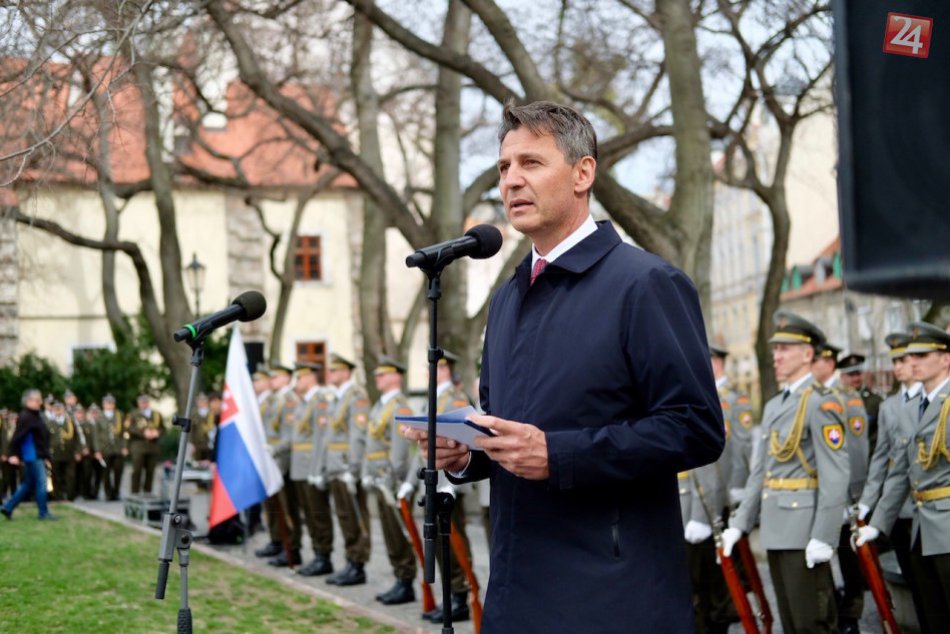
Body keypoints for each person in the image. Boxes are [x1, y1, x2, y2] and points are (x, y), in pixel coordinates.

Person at [406, 101, 724, 632]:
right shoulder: (508, 298)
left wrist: (560, 454)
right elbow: (514, 432)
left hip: (609, 596)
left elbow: (696, 428)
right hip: (514, 591)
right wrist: (466, 454)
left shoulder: (645, 284)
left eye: (531, 163)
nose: (511, 180)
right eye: (504, 167)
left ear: (583, 174)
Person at [721, 311, 851, 634]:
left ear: (807, 355)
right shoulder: (775, 405)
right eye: (775, 349)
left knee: (812, 623)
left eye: (784, 349)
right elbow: (760, 472)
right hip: (776, 527)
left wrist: (824, 535)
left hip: (805, 530)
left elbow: (835, 476)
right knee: (790, 622)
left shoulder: (822, 404)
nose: (776, 356)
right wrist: (740, 523)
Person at [856, 321, 950, 633]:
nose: (912, 362)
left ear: (946, 359)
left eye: (922, 355)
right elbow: (899, 473)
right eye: (911, 356)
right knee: (933, 616)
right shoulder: (910, 409)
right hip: (922, 528)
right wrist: (878, 523)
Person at [679, 344, 750, 634]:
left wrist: (737, 488)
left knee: (715, 576)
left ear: (718, 363)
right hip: (691, 498)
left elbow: (738, 449)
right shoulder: (693, 395)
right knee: (698, 578)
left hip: (714, 498)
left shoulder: (730, 399)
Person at [857, 331, 926, 628]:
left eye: (904, 360)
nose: (899, 367)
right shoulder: (889, 406)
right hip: (900, 508)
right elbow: (881, 459)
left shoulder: (934, 398)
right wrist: (867, 501)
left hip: (930, 506)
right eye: (895, 361)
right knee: (914, 579)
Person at [811, 343, 869, 634]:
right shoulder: (811, 395)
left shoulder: (847, 396)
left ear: (829, 363)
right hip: (819, 494)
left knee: (849, 558)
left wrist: (854, 496)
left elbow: (856, 449)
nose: (811, 365)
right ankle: (833, 608)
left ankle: (852, 614)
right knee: (821, 557)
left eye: (816, 360)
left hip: (845, 493)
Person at [418, 351, 476, 624]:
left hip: (450, 481)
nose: (428, 373)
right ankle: (451, 594)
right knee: (440, 543)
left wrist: (453, 484)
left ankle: (461, 594)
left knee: (454, 540)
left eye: (434, 368)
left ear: (444, 370)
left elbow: (463, 443)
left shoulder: (455, 399)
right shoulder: (433, 399)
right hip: (435, 481)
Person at [363, 356, 417, 606]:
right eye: (377, 375)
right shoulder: (379, 405)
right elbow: (370, 442)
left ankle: (406, 581)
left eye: (383, 374)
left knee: (397, 532)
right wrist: (367, 471)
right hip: (379, 476)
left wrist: (391, 479)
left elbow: (400, 451)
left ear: (396, 377)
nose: (378, 378)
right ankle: (399, 577)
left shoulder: (400, 407)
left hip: (391, 479)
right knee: (388, 531)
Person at [323, 353, 372, 587]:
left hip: (346, 466)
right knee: (344, 516)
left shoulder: (356, 396)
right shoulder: (337, 397)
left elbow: (357, 435)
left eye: (334, 370)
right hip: (336, 466)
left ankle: (358, 564)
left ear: (345, 372)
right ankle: (350, 560)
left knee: (354, 516)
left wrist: (353, 468)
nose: (330, 374)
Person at [289, 362, 335, 577]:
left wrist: (318, 468)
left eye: (299, 378)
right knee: (308, 513)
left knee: (318, 513)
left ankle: (324, 556)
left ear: (310, 378)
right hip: (301, 466)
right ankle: (317, 553)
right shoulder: (304, 402)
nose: (296, 382)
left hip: (312, 465)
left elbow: (321, 437)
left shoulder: (320, 401)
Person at [1, 389, 54, 520]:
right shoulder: (26, 417)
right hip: (33, 455)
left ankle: (8, 507)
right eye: (38, 400)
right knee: (41, 482)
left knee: (28, 484)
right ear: (29, 401)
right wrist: (13, 453)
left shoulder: (34, 415)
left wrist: (46, 455)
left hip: (36, 454)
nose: (40, 403)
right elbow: (17, 436)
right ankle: (43, 513)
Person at [126, 394, 164, 495]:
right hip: (138, 446)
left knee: (150, 471)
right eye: (142, 402)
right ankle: (135, 492)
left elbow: (162, 428)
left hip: (152, 446)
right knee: (137, 470)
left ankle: (148, 492)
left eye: (146, 402)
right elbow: (129, 428)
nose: (144, 404)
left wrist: (157, 433)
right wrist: (143, 433)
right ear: (138, 403)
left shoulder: (156, 414)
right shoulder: (133, 414)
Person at [96, 394, 126, 501]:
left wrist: (124, 446)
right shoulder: (99, 417)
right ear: (103, 404)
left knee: (118, 471)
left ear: (114, 404)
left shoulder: (119, 415)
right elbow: (96, 435)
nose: (109, 405)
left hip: (117, 448)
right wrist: (97, 450)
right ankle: (108, 493)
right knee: (106, 473)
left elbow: (124, 433)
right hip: (105, 449)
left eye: (111, 403)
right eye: (107, 403)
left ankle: (116, 492)